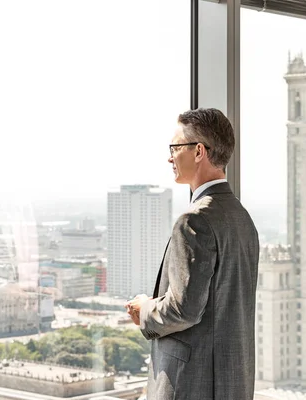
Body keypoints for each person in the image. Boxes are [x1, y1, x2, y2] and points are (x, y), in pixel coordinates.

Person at [125, 108, 259, 400]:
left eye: (175, 147)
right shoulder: (242, 218)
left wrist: (144, 309)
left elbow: (184, 310)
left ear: (199, 151)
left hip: (191, 386)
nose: (169, 156)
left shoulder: (195, 220)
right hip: (233, 382)